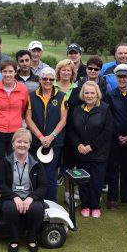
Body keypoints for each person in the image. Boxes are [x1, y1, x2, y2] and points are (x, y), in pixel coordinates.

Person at [0, 129, 47, 252]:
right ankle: (13, 239)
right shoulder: (5, 162)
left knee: (36, 209)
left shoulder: (36, 162)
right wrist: (14, 197)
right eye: (19, 141)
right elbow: (0, 185)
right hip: (10, 198)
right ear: (13, 144)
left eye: (25, 142)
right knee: (10, 208)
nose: (22, 145)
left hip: (31, 197)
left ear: (29, 145)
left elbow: (43, 186)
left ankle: (32, 238)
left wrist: (31, 197)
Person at [68, 81, 112, 218]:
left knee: (96, 181)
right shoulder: (76, 109)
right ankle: (85, 205)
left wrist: (92, 146)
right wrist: (78, 144)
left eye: (92, 93)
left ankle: (95, 206)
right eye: (86, 92)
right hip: (81, 152)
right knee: (83, 181)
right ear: (83, 94)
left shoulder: (105, 109)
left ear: (97, 94)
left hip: (98, 152)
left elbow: (107, 131)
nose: (89, 95)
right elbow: (71, 129)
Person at [0, 60, 29, 200]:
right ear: (1, 73)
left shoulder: (23, 89)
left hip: (15, 132)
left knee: (13, 161)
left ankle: (11, 188)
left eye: (11, 71)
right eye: (5, 71)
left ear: (15, 72)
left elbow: (22, 109)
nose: (8, 74)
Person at [24, 67, 67, 201]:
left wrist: (51, 136)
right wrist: (41, 136)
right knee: (34, 172)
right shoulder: (32, 95)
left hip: (54, 142)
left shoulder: (62, 96)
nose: (48, 81)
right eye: (45, 78)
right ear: (40, 80)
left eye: (51, 79)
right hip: (36, 141)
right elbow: (28, 118)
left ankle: (50, 202)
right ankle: (34, 200)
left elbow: (63, 119)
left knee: (50, 174)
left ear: (54, 81)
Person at [105, 64, 127, 209]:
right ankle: (112, 197)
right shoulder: (110, 96)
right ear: (115, 78)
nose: (122, 80)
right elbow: (108, 118)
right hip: (114, 138)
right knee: (113, 168)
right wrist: (118, 136)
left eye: (125, 77)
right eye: (119, 77)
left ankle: (125, 195)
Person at [54, 59, 79, 205]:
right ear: (59, 71)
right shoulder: (52, 86)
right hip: (54, 131)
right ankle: (50, 193)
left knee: (69, 164)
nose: (66, 72)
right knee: (53, 164)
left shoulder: (77, 89)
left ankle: (69, 193)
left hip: (71, 133)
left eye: (68, 70)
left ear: (72, 73)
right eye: (63, 69)